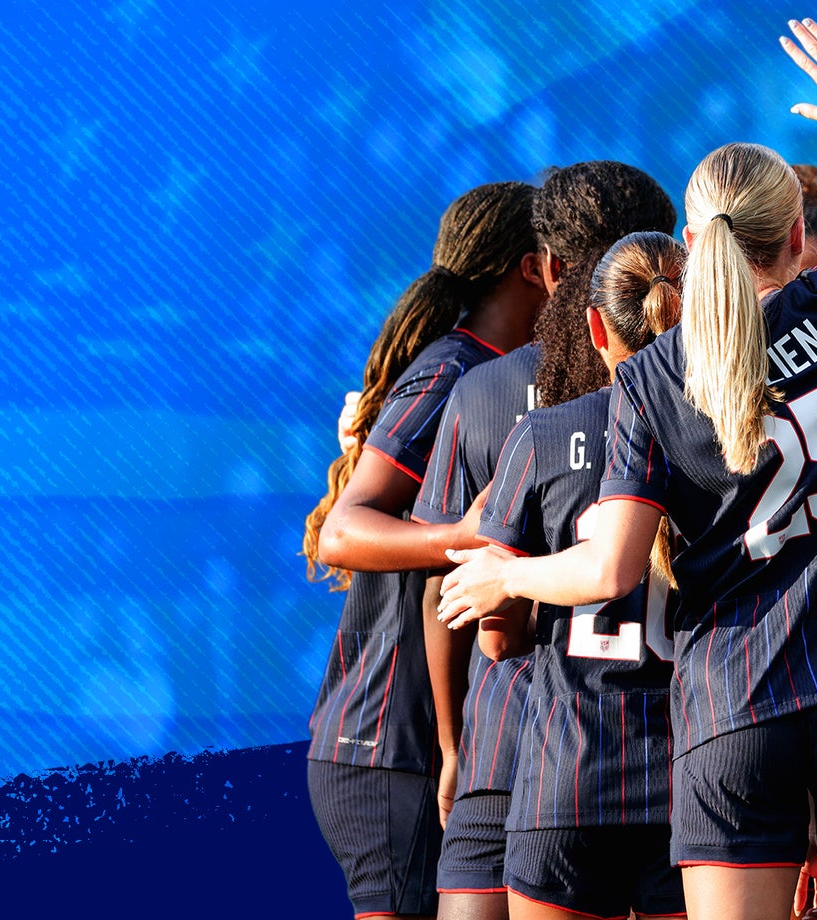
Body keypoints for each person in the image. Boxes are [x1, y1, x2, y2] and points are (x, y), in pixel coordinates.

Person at [439, 18, 817, 920]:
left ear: (691, 244)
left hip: (733, 703)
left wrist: (508, 574)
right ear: (799, 237)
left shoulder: (653, 374)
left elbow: (609, 569)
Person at [424, 162, 677, 920]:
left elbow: (486, 623)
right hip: (695, 752)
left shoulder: (506, 405)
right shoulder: (730, 426)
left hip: (547, 753)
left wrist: (450, 744)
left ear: (553, 270)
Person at [305, 181, 548, 920]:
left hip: (424, 743)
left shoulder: (509, 372)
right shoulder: (454, 369)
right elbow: (342, 529)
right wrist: (461, 536)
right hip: (387, 745)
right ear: (533, 267)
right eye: (561, 253)